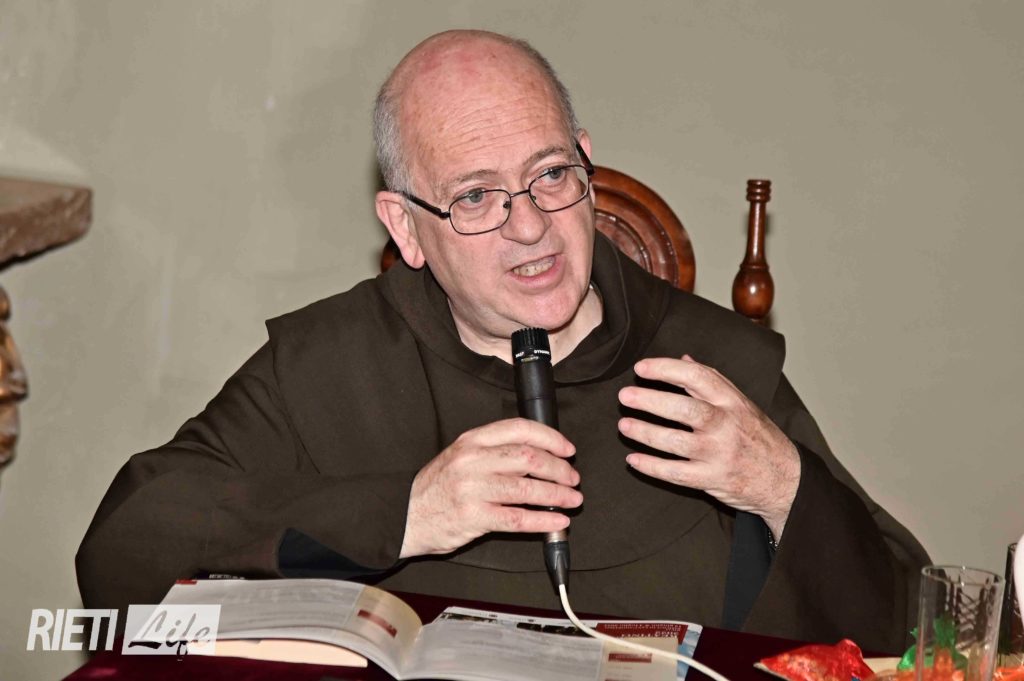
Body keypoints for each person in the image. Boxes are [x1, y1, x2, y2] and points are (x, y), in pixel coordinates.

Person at [76, 29, 928, 653]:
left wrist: (780, 485)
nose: (530, 227)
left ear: (587, 166)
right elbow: (120, 561)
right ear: (406, 228)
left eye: (550, 174)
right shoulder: (329, 364)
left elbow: (914, 631)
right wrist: (404, 512)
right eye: (476, 197)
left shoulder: (710, 362)